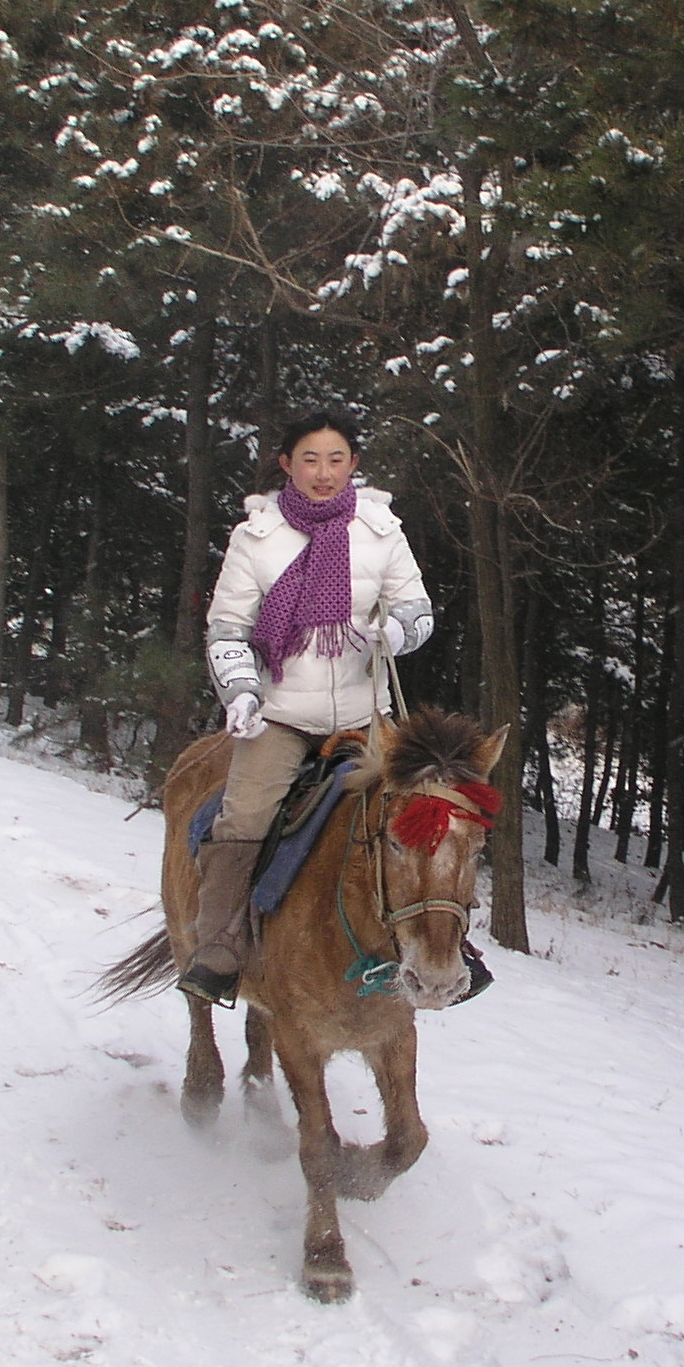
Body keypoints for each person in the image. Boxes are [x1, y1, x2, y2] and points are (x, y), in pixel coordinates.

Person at [181, 407, 434, 1001]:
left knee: (421, 815)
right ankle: (219, 948)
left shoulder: (380, 530)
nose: (324, 473)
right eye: (311, 460)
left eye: (336, 459)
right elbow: (228, 629)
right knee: (244, 816)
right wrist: (241, 692)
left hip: (365, 713)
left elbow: (417, 610)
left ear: (354, 464)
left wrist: (396, 634)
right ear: (287, 465)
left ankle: (437, 945)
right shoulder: (257, 538)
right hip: (283, 715)